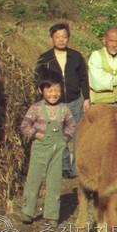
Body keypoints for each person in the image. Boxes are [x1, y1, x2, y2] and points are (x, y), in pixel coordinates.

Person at [18, 68, 76, 225]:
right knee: (34, 180)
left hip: (57, 149)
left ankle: (51, 215)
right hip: (40, 148)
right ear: (40, 90)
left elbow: (71, 125)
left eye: (57, 90)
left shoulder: (64, 109)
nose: (53, 94)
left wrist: (65, 138)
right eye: (49, 90)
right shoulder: (36, 108)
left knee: (54, 182)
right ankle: (28, 212)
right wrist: (36, 134)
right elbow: (24, 125)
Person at [34, 23, 89, 178]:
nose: (61, 40)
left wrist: (87, 99)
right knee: (59, 134)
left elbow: (84, 78)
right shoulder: (45, 59)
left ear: (68, 38)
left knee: (79, 135)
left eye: (64, 37)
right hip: (55, 103)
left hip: (75, 101)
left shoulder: (76, 56)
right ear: (52, 38)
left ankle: (76, 168)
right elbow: (39, 81)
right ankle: (64, 167)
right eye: (57, 37)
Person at [87, 27, 117, 107]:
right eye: (111, 41)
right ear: (104, 41)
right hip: (100, 105)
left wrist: (109, 80)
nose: (114, 45)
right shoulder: (96, 56)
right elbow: (97, 83)